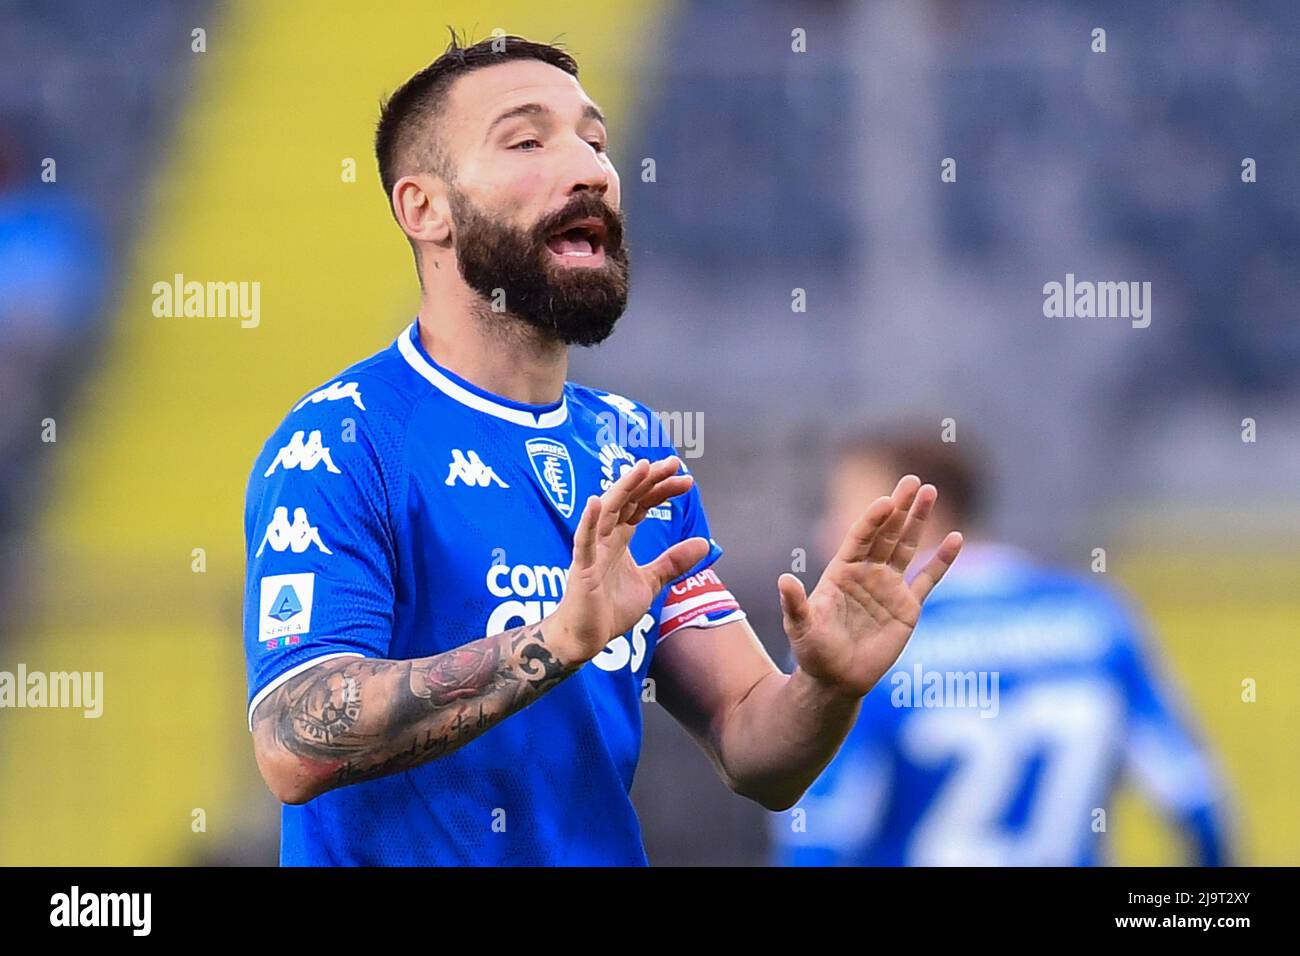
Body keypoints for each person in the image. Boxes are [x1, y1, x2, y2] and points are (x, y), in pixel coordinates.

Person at [240, 32, 963, 866]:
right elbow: (295, 741)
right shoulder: (345, 438)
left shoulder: (628, 445)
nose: (590, 168)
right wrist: (552, 640)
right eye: (527, 140)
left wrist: (827, 687)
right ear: (424, 208)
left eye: (594, 139)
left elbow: (754, 747)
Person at [769, 430, 1232, 866]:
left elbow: (819, 839)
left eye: (842, 508)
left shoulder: (857, 646)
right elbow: (1194, 800)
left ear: (911, 516)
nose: (825, 533)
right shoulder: (1093, 616)